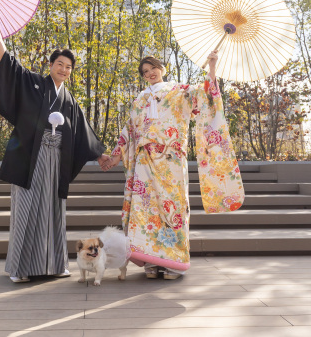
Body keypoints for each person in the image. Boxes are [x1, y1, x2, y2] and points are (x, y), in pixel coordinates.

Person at [0, 12, 109, 283]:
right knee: (26, 211)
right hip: (31, 158)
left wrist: (101, 154)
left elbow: (83, 131)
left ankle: (53, 265)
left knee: (53, 212)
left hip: (57, 161)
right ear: (50, 65)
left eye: (69, 67)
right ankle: (20, 268)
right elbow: (8, 64)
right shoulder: (33, 83)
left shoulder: (70, 100)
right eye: (60, 64)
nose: (64, 69)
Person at [100, 52, 244, 279]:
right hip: (144, 160)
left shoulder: (179, 90)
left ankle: (173, 263)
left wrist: (213, 66)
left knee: (172, 207)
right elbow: (130, 130)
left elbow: (205, 94)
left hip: (171, 159)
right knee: (145, 210)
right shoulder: (140, 99)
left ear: (162, 68)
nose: (149, 74)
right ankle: (150, 261)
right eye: (145, 72)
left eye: (152, 68)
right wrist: (116, 156)